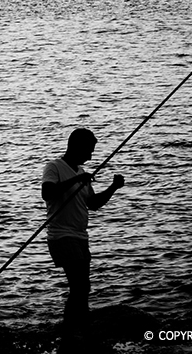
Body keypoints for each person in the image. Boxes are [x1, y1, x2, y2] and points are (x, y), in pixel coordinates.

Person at [41, 128, 124, 332]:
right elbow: (47, 193)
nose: (90, 156)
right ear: (76, 147)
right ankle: (72, 330)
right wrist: (77, 180)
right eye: (89, 150)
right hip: (61, 235)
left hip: (80, 237)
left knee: (83, 287)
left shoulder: (80, 173)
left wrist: (113, 187)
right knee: (79, 286)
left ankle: (80, 326)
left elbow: (93, 204)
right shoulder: (54, 167)